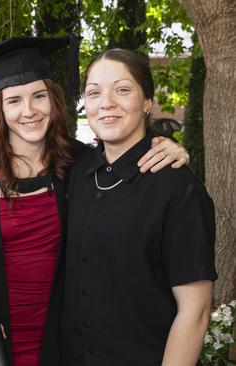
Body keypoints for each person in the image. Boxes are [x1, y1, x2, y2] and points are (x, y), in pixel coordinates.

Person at [0, 36, 190, 366]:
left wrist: (167, 146)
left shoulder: (83, 169)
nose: (29, 111)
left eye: (39, 96)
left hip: (65, 345)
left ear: (53, 100)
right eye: (14, 101)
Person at [60, 48, 215, 366]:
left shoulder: (177, 189)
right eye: (94, 92)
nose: (106, 103)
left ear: (146, 101)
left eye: (122, 89)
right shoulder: (75, 174)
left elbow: (195, 311)